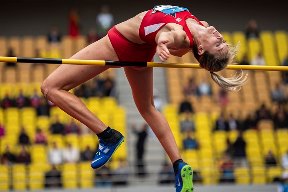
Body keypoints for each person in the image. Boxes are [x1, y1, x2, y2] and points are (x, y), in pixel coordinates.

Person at [41, 5, 247, 192]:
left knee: (50, 87)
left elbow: (171, 36)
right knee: (147, 108)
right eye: (223, 44)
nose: (221, 39)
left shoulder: (182, 36)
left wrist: (163, 42)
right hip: (140, 51)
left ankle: (107, 135)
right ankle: (179, 165)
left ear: (201, 50)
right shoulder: (200, 26)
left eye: (218, 46)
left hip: (120, 44)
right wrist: (165, 42)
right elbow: (178, 47)